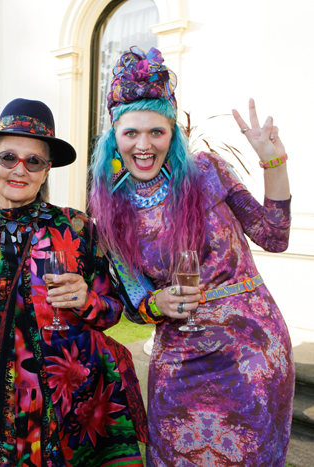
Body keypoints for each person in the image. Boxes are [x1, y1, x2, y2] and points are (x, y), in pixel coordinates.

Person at [88, 46, 293, 466]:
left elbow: (274, 236)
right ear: (115, 137)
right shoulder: (110, 207)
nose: (143, 146)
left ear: (171, 135)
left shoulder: (206, 171)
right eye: (131, 133)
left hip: (250, 348)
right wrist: (156, 303)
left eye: (156, 132)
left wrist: (273, 160)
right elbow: (134, 300)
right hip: (178, 357)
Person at [0, 98, 147, 466]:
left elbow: (113, 310)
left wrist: (88, 299)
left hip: (59, 410)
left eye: (34, 161)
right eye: (8, 157)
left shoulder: (76, 230)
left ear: (46, 170)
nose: (19, 170)